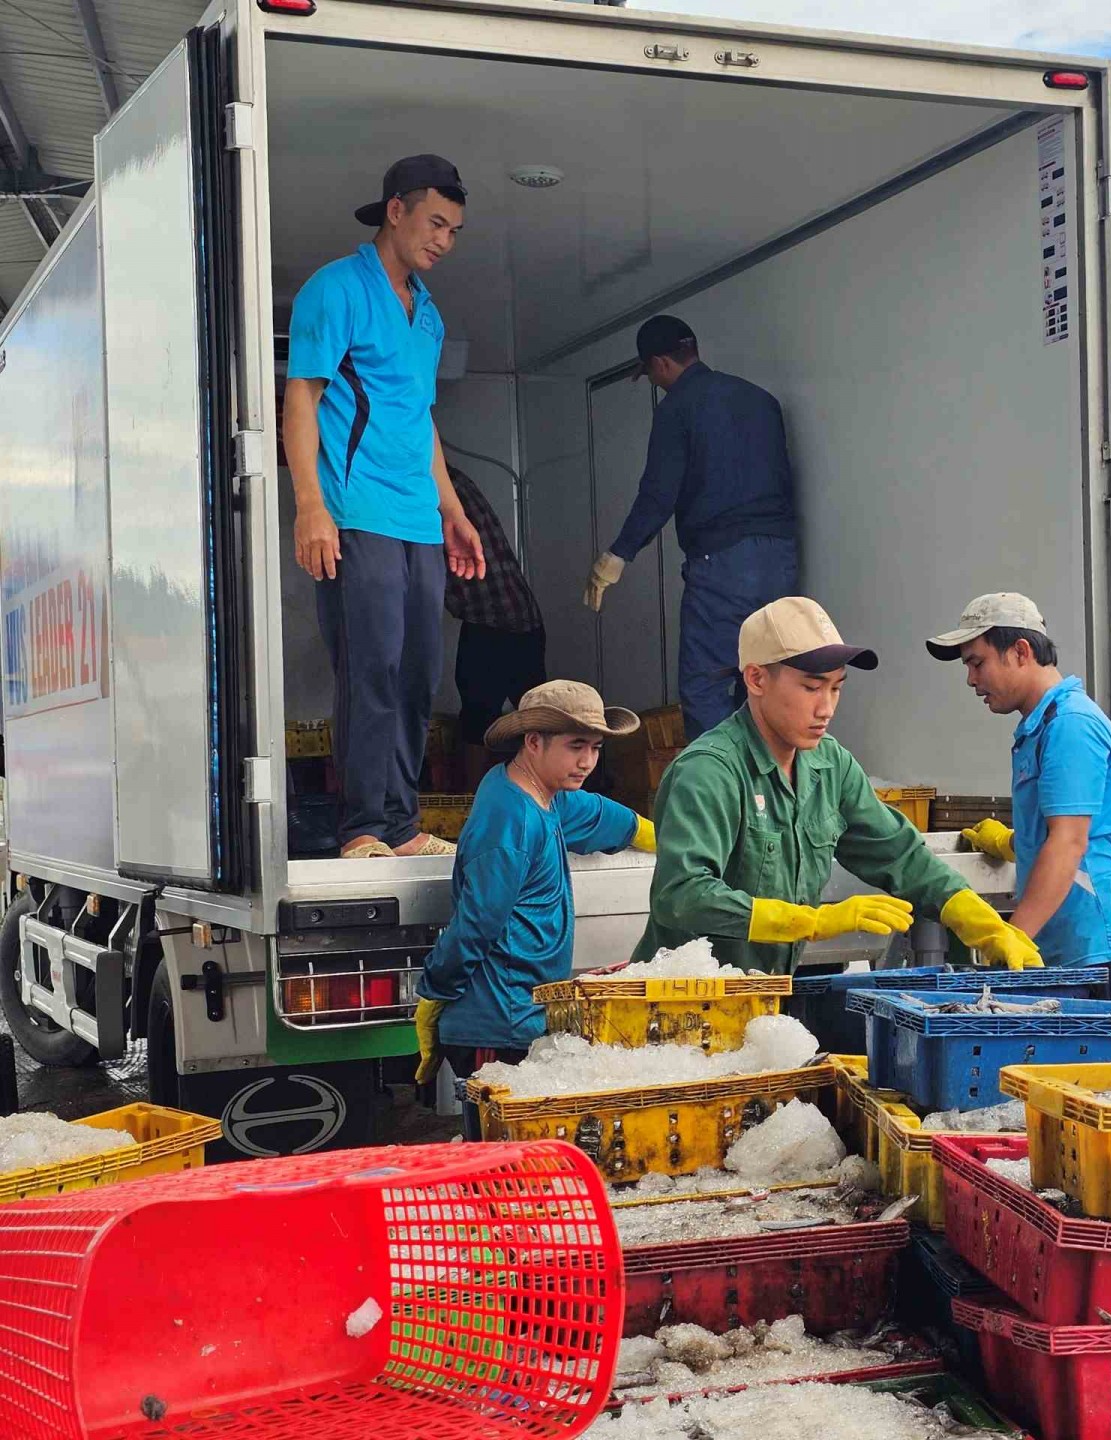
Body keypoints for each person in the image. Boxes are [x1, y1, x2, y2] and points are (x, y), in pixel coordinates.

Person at [637, 596, 1041, 975]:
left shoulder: (830, 764)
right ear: (757, 679)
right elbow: (683, 896)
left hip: (767, 997)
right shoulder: (708, 772)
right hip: (680, 1005)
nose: (826, 707)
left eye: (836, 688)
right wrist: (811, 920)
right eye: (812, 688)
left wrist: (979, 920)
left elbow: (900, 855)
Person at [284, 154, 486, 859]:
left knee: (417, 674)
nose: (444, 241)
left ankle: (399, 825)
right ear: (395, 211)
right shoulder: (335, 290)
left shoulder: (426, 316)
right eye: (436, 223)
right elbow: (301, 399)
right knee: (369, 669)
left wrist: (453, 511)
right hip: (355, 515)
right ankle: (363, 826)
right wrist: (310, 505)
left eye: (455, 231)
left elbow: (419, 419)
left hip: (416, 522)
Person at [411, 680, 658, 1138]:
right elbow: (476, 927)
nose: (587, 761)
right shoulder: (509, 825)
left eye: (596, 748)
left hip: (523, 1015)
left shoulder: (538, 789)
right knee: (499, 1160)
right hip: (497, 1025)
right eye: (576, 746)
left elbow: (598, 813)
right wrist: (435, 992)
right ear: (533, 742)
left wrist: (670, 840)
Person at [927, 593, 1111, 997]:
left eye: (976, 662)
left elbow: (1070, 843)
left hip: (1100, 953)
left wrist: (1014, 938)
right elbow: (1062, 833)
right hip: (1073, 951)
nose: (971, 680)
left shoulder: (1069, 725)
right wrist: (1011, 843)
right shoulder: (1045, 725)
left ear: (1020, 651)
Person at [582, 315, 799, 739]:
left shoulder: (677, 408)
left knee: (707, 684)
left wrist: (618, 554)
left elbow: (659, 492)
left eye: (649, 374)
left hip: (722, 562)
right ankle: (766, 796)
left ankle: (715, 796)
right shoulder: (761, 400)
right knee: (767, 680)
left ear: (661, 363)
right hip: (780, 559)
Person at [444, 467, 546, 789]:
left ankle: (476, 801)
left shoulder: (432, 490)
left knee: (478, 717)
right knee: (537, 714)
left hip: (492, 619)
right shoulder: (456, 480)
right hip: (520, 615)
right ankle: (551, 793)